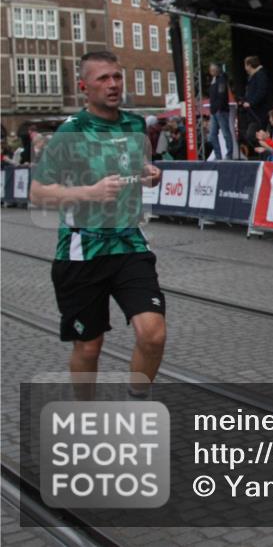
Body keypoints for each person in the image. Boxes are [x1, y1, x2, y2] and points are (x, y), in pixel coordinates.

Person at [29, 51, 165, 400]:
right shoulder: (70, 132)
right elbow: (39, 192)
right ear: (84, 87)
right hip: (81, 251)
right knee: (89, 348)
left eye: (117, 77)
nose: (113, 84)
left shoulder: (136, 125)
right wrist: (88, 192)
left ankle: (137, 402)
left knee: (153, 335)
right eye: (103, 78)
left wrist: (147, 176)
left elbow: (134, 170)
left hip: (129, 243)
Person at [240, 55, 270, 152]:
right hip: (253, 112)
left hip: (259, 112)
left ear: (249, 65)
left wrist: (251, 103)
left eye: (245, 65)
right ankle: (264, 151)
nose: (244, 68)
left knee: (252, 134)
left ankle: (265, 150)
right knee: (252, 134)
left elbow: (261, 92)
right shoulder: (253, 76)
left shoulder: (260, 75)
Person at [207, 63, 236, 160]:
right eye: (211, 69)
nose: (211, 71)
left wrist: (217, 107)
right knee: (212, 135)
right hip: (215, 110)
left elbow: (221, 94)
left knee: (225, 133)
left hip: (221, 110)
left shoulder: (222, 80)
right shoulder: (213, 80)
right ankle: (218, 155)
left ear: (217, 70)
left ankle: (229, 155)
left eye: (213, 69)